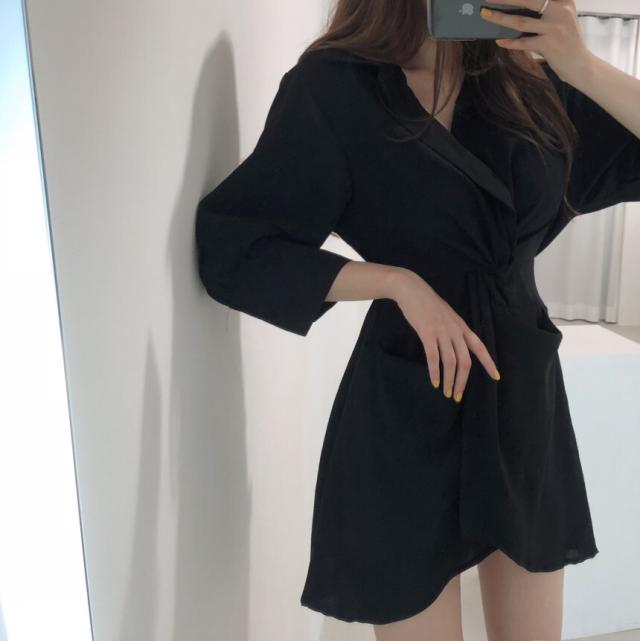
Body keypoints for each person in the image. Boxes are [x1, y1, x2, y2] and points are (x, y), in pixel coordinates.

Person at [194, 0, 640, 639]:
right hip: (409, 400)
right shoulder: (336, 89)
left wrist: (584, 67)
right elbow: (237, 246)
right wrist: (395, 282)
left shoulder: (528, 85)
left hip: (520, 395)